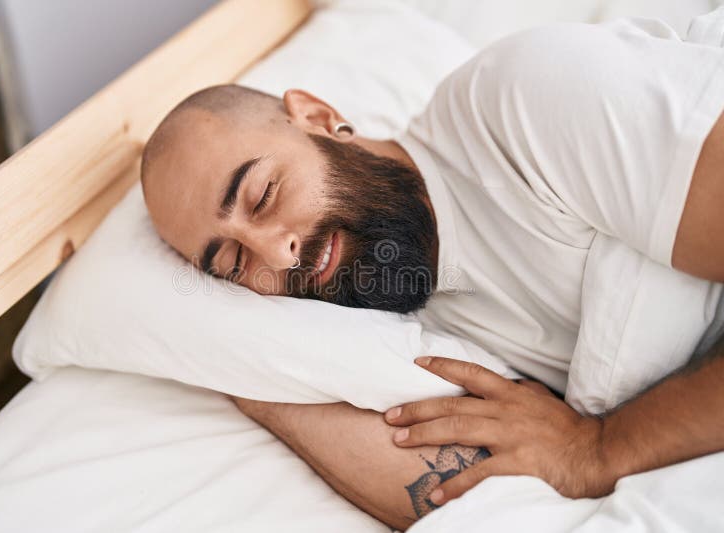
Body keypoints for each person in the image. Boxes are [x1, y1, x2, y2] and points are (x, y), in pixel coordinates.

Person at [140, 13, 724, 531]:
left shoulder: (522, 103)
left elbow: (578, 457)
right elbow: (463, 500)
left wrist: (602, 447)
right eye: (233, 262)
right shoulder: (392, 320)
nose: (278, 256)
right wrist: (247, 380)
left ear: (318, 116)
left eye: (263, 195)